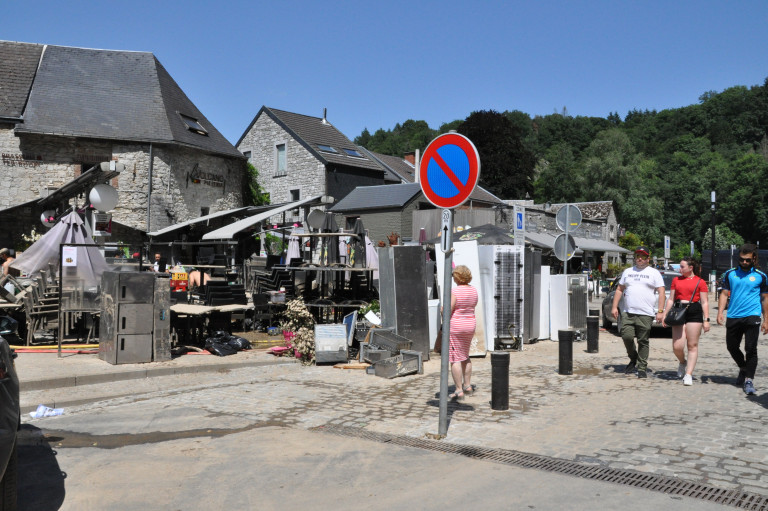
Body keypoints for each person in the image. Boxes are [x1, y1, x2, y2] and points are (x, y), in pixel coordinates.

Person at [716, 244, 768, 395]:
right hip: (733, 315)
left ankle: (749, 380)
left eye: (747, 260)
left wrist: (766, 320)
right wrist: (720, 312)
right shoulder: (730, 274)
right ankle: (744, 367)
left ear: (754, 259)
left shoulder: (761, 276)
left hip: (752, 315)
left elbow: (765, 299)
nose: (744, 262)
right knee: (731, 346)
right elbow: (724, 294)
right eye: (742, 260)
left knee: (751, 349)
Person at [611, 246, 666, 378]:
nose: (639, 259)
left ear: (648, 259)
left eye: (643, 256)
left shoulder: (654, 273)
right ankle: (633, 357)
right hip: (628, 312)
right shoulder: (628, 272)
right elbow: (619, 289)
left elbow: (661, 292)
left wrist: (660, 311)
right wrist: (614, 307)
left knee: (643, 340)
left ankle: (642, 367)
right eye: (637, 256)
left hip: (646, 313)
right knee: (627, 337)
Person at [662, 257, 710, 385]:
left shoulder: (700, 282)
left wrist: (706, 319)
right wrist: (665, 314)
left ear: (691, 268)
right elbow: (671, 299)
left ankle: (688, 374)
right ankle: (682, 362)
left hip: (694, 310)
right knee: (677, 346)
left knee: (692, 345)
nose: (679, 269)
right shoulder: (676, 280)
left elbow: (705, 302)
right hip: (678, 310)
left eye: (682, 266)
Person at [447, 265, 478, 400]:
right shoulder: (473, 290)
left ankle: (459, 390)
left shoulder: (455, 291)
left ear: (457, 277)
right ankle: (468, 385)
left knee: (455, 358)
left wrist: (443, 310)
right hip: (470, 324)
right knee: (465, 355)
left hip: (456, 326)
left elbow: (449, 309)